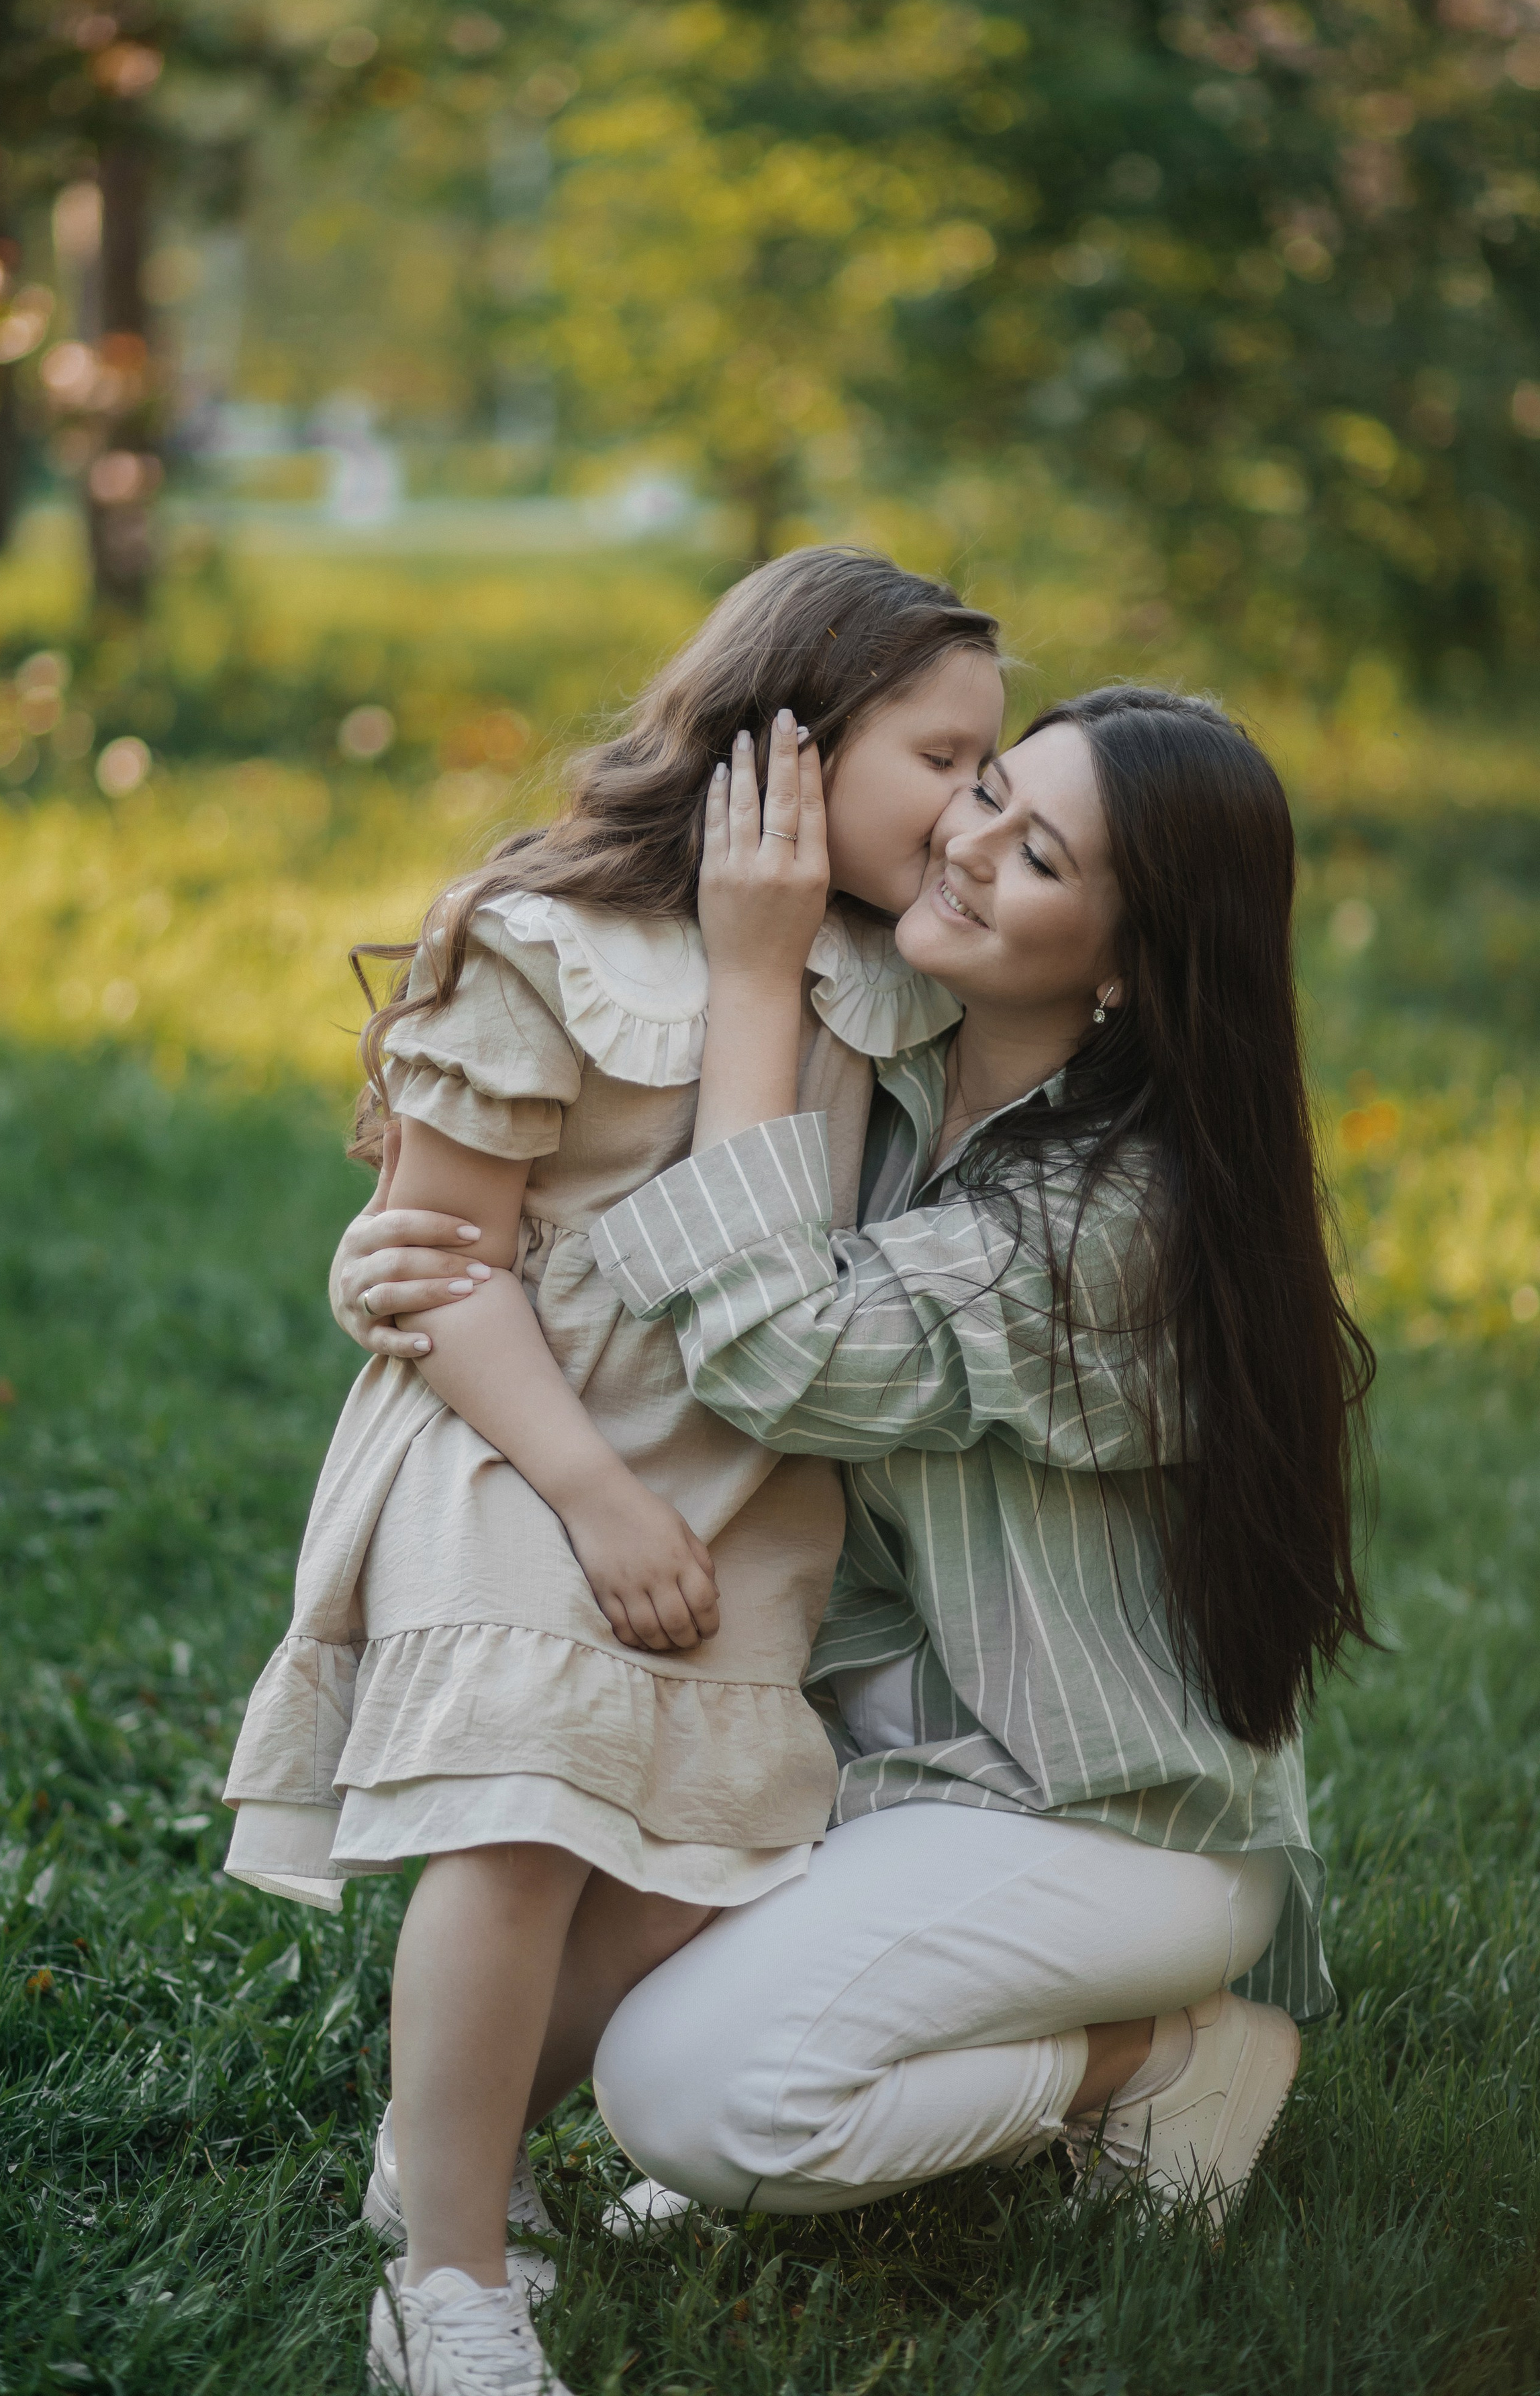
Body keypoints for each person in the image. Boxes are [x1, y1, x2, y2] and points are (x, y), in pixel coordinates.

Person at [360, 683, 1373, 2239]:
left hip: (1098, 1817)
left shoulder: (1117, 1215)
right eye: (985, 793)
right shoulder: (900, 1083)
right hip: (881, 1780)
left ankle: (1155, 2053)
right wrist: (409, 1264)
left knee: (695, 2101)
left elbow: (773, 1353)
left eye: (1037, 856)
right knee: (628, 1892)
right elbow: (599, 1208)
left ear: (1123, 965)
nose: (966, 848)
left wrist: (757, 973)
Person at [220, 548, 1006, 2396]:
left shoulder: (903, 972)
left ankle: (441, 2145)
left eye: (997, 767)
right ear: (784, 752)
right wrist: (592, 1493)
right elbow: (438, 1265)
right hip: (523, 1445)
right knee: (523, 1830)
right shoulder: (545, 935)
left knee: (701, 1870)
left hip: (751, 1476)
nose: (980, 807)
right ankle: (455, 2284)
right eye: (947, 757)